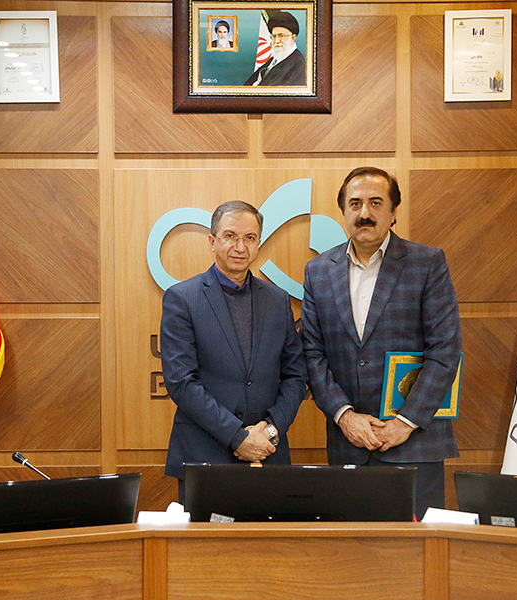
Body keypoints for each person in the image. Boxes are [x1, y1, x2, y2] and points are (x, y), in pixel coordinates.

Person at [300, 167, 462, 520]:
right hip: (349, 444)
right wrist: (344, 417)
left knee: (417, 549)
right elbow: (312, 353)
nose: (364, 213)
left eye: (375, 203)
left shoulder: (427, 263)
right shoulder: (318, 270)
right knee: (353, 548)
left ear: (393, 211)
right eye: (355, 203)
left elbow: (445, 350)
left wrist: (405, 422)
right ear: (343, 211)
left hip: (415, 444)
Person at [160, 201, 308, 502]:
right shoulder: (182, 299)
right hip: (204, 457)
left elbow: (296, 375)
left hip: (268, 455)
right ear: (212, 241)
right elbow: (181, 382)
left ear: (258, 244)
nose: (240, 247)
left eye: (249, 238)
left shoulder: (278, 300)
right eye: (230, 236)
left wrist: (270, 431)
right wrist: (237, 437)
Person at [244, 11, 305, 86]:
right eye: (274, 36)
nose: (276, 41)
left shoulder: (299, 65)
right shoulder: (275, 59)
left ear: (292, 38)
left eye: (281, 36)